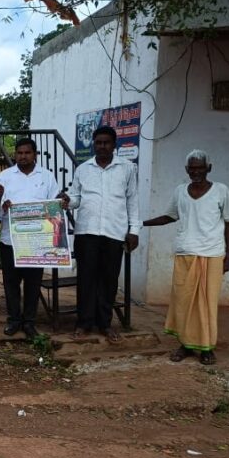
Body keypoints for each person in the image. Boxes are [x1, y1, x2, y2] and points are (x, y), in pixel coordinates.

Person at [143, 149, 229, 365]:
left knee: (207, 304)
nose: (196, 172)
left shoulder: (221, 191)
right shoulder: (180, 191)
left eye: (200, 167)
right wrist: (141, 224)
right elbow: (169, 216)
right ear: (187, 170)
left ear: (208, 168)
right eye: (192, 168)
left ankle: (207, 348)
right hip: (185, 253)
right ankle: (185, 345)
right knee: (183, 302)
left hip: (212, 254)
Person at [60, 125, 140, 342]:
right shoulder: (83, 169)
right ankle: (84, 323)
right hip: (86, 231)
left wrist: (134, 230)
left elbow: (132, 201)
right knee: (86, 279)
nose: (102, 146)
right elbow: (76, 198)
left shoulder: (127, 169)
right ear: (93, 144)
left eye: (106, 142)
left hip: (114, 232)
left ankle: (105, 323)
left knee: (108, 280)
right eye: (98, 142)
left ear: (114, 145)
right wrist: (68, 201)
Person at [0, 137, 60, 339]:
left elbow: (54, 205)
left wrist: (62, 203)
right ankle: (14, 320)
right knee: (11, 283)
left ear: (35, 154)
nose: (23, 156)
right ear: (15, 154)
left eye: (27, 153)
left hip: (37, 242)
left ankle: (30, 322)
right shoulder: (5, 176)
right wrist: (2, 206)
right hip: (10, 240)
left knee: (33, 283)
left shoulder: (47, 176)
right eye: (19, 153)